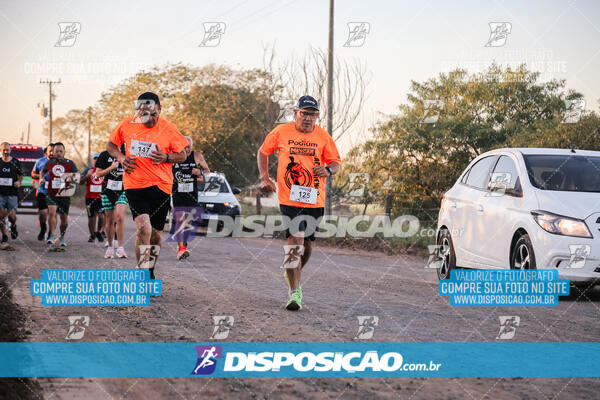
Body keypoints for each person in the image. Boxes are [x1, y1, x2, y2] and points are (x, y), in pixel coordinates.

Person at [257, 95, 341, 311]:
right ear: (296, 113)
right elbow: (263, 152)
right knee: (296, 239)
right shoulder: (281, 132)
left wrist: (329, 170)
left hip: (314, 197)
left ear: (316, 117)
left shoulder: (323, 136)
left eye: (313, 115)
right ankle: (295, 292)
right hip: (289, 196)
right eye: (304, 113)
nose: (308, 118)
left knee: (308, 246)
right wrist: (265, 177)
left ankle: (292, 272)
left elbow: (335, 162)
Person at [107, 92, 188, 278]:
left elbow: (182, 154)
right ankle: (142, 273)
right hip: (135, 184)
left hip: (161, 186)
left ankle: (150, 270)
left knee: (156, 235)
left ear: (159, 109)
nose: (149, 119)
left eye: (153, 114)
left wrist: (167, 157)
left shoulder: (169, 128)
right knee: (144, 228)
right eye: (144, 114)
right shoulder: (126, 124)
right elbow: (111, 145)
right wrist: (121, 157)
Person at [172, 136, 210, 260]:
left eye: (188, 147)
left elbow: (207, 171)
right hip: (178, 193)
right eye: (184, 147)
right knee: (180, 219)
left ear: (192, 146)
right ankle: (181, 249)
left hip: (192, 193)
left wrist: (199, 173)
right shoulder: (174, 156)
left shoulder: (197, 156)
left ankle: (183, 243)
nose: (186, 149)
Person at [41, 142, 78, 247]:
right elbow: (42, 172)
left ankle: (61, 237)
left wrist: (68, 178)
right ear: (53, 152)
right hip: (51, 192)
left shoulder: (70, 163)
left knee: (64, 219)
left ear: (64, 152)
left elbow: (77, 176)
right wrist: (42, 178)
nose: (58, 153)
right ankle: (52, 235)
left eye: (60, 151)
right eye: (56, 151)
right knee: (52, 212)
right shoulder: (50, 162)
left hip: (65, 193)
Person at [95, 146, 129, 258]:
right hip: (107, 191)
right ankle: (110, 247)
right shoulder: (104, 155)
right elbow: (98, 174)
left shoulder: (127, 154)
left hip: (122, 190)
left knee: (119, 217)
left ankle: (120, 248)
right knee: (109, 220)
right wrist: (111, 167)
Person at [0, 142, 23, 244]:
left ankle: (13, 226)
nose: (6, 151)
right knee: (0, 216)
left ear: (10, 150)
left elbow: (21, 176)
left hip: (12, 193)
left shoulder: (15, 162)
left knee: (11, 216)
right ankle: (4, 235)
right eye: (4, 150)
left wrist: (19, 182)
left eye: (7, 150)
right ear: (1, 151)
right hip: (0, 193)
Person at [80, 153, 105, 243]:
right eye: (95, 158)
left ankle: (99, 232)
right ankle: (92, 235)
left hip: (101, 198)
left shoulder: (104, 170)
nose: (96, 160)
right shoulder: (88, 170)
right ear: (92, 160)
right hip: (90, 198)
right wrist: (87, 175)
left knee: (102, 216)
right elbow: (80, 182)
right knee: (91, 217)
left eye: (98, 159)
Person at [31, 144, 54, 241]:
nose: (52, 153)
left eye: (54, 151)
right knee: (43, 212)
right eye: (50, 151)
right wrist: (40, 177)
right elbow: (33, 173)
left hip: (54, 192)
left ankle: (51, 232)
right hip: (42, 190)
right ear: (46, 152)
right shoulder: (40, 161)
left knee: (52, 213)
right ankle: (43, 228)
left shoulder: (60, 163)